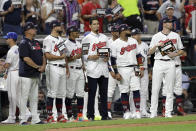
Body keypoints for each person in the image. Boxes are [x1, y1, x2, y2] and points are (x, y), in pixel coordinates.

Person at [148, 18, 184, 118]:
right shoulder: (156, 36)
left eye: (171, 22)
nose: (171, 24)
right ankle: (153, 112)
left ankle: (168, 112)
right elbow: (149, 52)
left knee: (169, 89)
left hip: (171, 63)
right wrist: (156, 45)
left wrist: (175, 54)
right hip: (159, 62)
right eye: (169, 22)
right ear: (164, 24)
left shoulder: (175, 35)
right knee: (155, 89)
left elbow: (181, 50)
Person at [110, 24, 144, 119]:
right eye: (127, 29)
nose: (129, 31)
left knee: (136, 89)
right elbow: (113, 60)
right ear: (122, 31)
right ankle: (126, 111)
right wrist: (116, 72)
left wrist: (141, 67)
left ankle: (137, 111)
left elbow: (138, 55)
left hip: (134, 68)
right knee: (124, 91)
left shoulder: (133, 41)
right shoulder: (115, 44)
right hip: (122, 69)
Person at [18, 22, 46, 125]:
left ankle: (35, 119)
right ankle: (22, 119)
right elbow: (26, 58)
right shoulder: (23, 43)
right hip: (26, 74)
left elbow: (42, 56)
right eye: (33, 28)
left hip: (35, 74)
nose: (35, 30)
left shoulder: (37, 42)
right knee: (24, 97)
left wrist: (43, 65)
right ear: (27, 31)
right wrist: (38, 67)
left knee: (34, 98)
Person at [1, 32, 31, 124]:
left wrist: (2, 65)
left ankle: (12, 117)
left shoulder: (10, 51)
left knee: (12, 96)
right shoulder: (19, 48)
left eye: (7, 38)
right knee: (18, 96)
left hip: (13, 73)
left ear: (11, 39)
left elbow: (7, 65)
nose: (6, 40)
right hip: (19, 73)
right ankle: (26, 112)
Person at [83, 17, 109, 120]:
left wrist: (107, 56)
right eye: (94, 24)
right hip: (92, 69)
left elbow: (108, 51)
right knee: (92, 94)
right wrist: (94, 56)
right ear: (89, 26)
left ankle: (104, 115)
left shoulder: (104, 37)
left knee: (104, 94)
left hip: (103, 68)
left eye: (98, 24)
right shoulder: (87, 38)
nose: (96, 26)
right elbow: (84, 55)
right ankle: (90, 115)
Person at [43, 20, 68, 123]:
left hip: (62, 67)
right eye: (59, 26)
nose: (61, 27)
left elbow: (64, 54)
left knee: (60, 93)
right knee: (52, 92)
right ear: (54, 27)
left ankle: (59, 115)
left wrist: (66, 66)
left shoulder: (61, 39)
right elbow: (47, 55)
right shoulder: (47, 39)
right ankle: (49, 116)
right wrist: (60, 57)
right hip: (53, 66)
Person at [64, 26, 85, 121]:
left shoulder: (79, 43)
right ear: (70, 33)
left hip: (80, 69)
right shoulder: (65, 44)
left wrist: (83, 65)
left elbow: (81, 56)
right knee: (69, 94)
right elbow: (64, 59)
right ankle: (69, 116)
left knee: (81, 93)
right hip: (71, 69)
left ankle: (80, 116)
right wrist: (74, 57)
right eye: (75, 32)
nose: (77, 33)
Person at [131, 28, 150, 118]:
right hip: (135, 70)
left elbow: (148, 59)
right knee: (134, 90)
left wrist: (149, 71)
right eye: (135, 34)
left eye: (138, 34)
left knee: (144, 91)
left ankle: (143, 110)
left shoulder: (145, 45)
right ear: (132, 36)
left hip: (144, 69)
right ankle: (133, 110)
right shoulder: (131, 45)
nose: (137, 36)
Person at [107, 25, 120, 119]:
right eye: (115, 31)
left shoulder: (122, 41)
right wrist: (110, 70)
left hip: (122, 69)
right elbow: (106, 58)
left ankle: (126, 109)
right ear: (111, 32)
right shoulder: (108, 42)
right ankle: (108, 111)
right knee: (110, 91)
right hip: (112, 69)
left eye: (118, 31)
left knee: (124, 90)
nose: (117, 32)